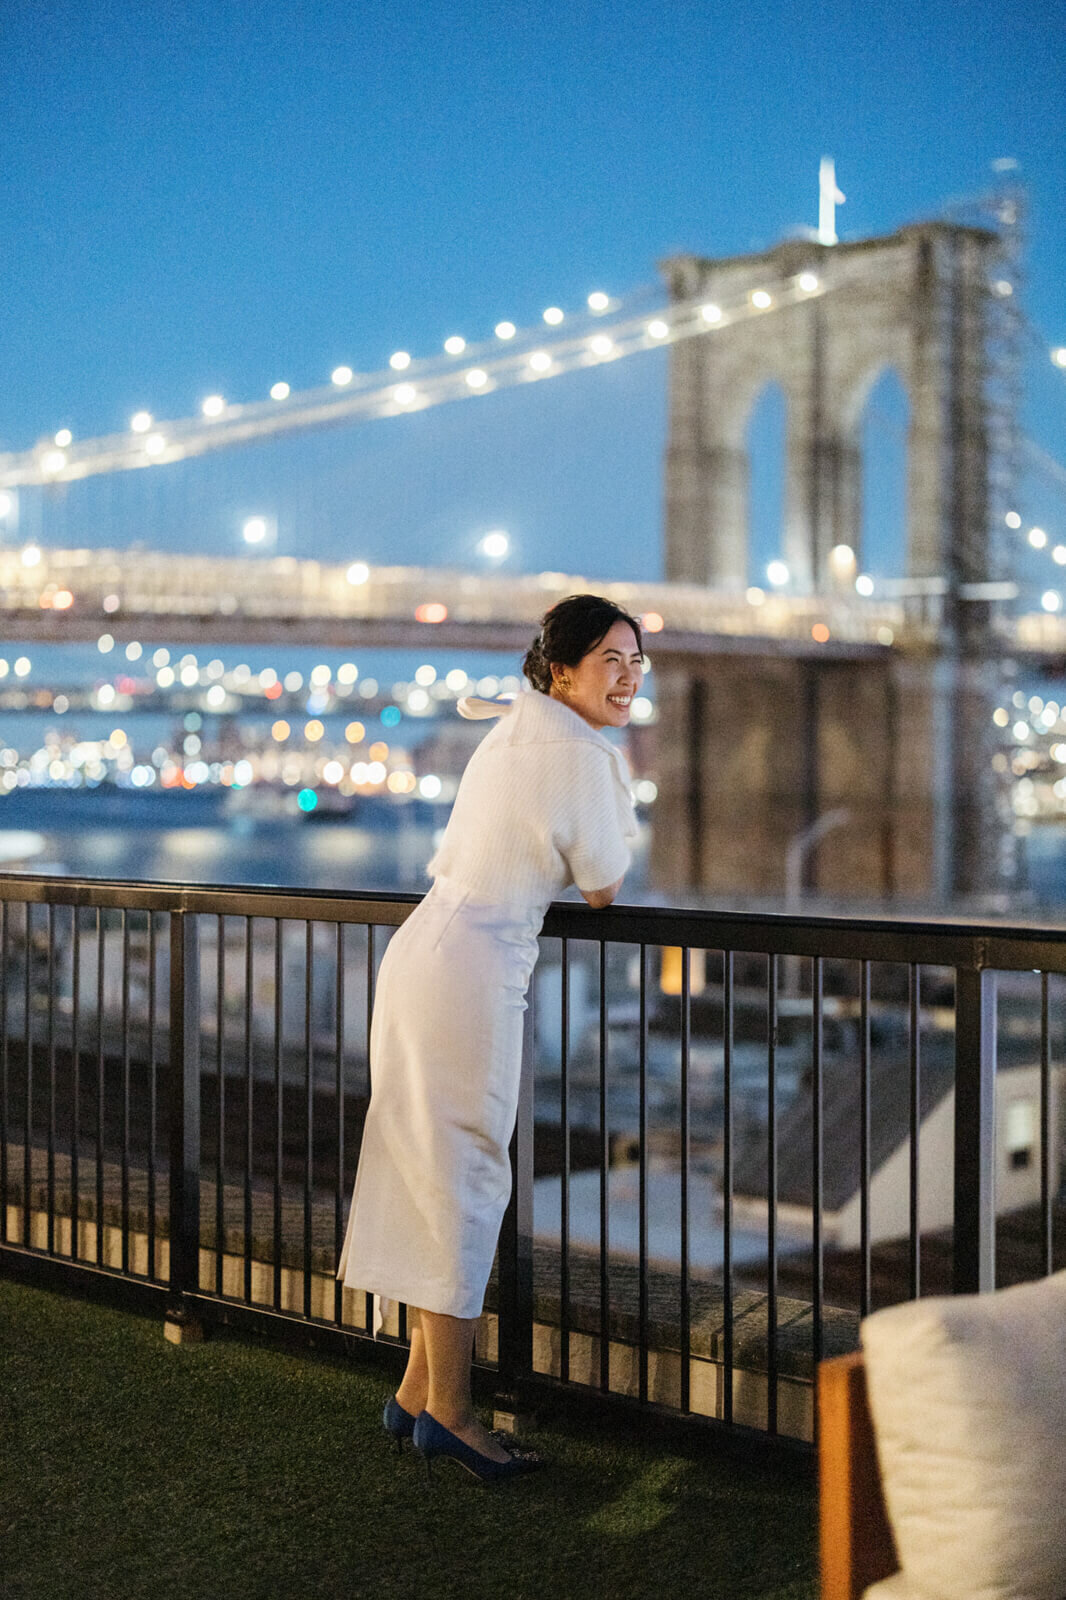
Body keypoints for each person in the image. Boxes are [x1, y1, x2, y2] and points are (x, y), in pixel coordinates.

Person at [336, 593, 643, 1482]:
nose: (626, 679)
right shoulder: (576, 752)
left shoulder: (515, 732)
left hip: (426, 955)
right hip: (469, 974)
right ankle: (458, 1416)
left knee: (423, 1164)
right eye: (610, 662)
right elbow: (603, 886)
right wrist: (613, 799)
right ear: (561, 671)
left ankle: (414, 1393)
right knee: (465, 1176)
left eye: (636, 663)